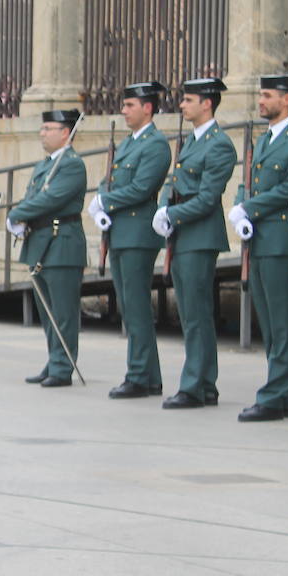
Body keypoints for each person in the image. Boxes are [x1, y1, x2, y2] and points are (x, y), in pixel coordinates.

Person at [229, 73, 288, 422]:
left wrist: (249, 208)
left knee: (282, 323)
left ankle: (277, 393)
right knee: (269, 320)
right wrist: (240, 208)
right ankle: (283, 395)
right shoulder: (264, 139)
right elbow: (249, 181)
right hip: (260, 239)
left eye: (268, 95)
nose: (261, 101)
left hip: (282, 241)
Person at [153, 78, 239, 408]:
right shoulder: (191, 141)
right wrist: (163, 206)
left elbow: (206, 198)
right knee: (191, 314)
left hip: (199, 236)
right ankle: (204, 385)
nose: (182, 105)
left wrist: (173, 215)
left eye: (188, 100)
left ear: (207, 103)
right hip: (183, 234)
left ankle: (195, 386)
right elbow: (174, 181)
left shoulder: (218, 144)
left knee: (197, 314)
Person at [88, 81, 171, 399]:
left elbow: (141, 188)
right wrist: (101, 197)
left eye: (130, 105)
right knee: (129, 306)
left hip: (138, 234)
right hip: (121, 232)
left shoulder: (155, 145)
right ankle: (148, 376)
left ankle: (139, 375)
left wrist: (106, 202)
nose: (124, 111)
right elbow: (108, 179)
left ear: (147, 108)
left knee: (135, 306)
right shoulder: (127, 143)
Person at [7, 108, 87, 386]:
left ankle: (63, 366)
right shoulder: (46, 165)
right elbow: (34, 196)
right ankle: (54, 359)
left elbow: (50, 199)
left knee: (63, 312)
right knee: (47, 311)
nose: (43, 133)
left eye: (48, 129)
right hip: (40, 242)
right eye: (42, 129)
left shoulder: (72, 164)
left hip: (61, 242)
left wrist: (17, 213)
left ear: (66, 132)